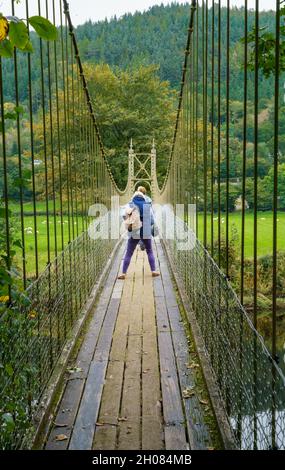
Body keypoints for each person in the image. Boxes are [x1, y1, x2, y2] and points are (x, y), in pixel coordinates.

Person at [118, 186, 160, 280]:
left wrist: (130, 221)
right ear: (143, 196)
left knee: (129, 252)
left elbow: (123, 215)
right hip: (146, 230)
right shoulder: (147, 204)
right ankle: (153, 271)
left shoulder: (130, 204)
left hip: (134, 230)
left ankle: (123, 273)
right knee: (149, 250)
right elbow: (152, 221)